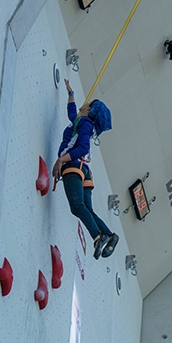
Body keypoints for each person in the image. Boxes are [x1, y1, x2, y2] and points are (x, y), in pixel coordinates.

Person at [51, 79, 119, 259]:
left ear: (89, 110)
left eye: (89, 103)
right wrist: (70, 94)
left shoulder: (85, 124)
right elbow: (72, 114)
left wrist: (60, 160)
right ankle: (108, 234)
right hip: (84, 170)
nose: (86, 102)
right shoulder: (80, 121)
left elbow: (83, 148)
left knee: (77, 206)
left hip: (74, 165)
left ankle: (97, 237)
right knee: (86, 208)